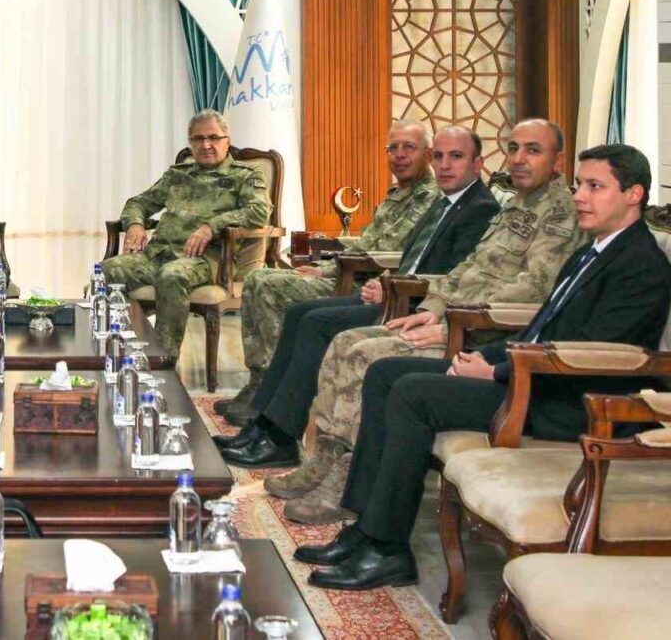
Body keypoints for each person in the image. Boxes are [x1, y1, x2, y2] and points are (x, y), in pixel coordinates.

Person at [299, 144, 671, 591]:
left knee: (414, 393)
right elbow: (539, 329)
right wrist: (485, 358)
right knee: (385, 373)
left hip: (572, 401)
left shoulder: (641, 265)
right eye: (579, 185)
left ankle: (387, 549)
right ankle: (364, 528)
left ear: (633, 194)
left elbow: (594, 352)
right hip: (533, 376)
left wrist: (495, 373)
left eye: (595, 186)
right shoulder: (590, 251)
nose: (579, 197)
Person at [273, 119, 586, 524]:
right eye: (513, 149)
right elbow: (468, 269)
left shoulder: (562, 213)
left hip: (482, 335)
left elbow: (533, 290)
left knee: (367, 356)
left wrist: (453, 322)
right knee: (344, 343)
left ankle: (346, 482)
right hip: (453, 317)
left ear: (558, 159)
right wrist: (431, 309)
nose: (520, 159)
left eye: (533, 150)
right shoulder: (515, 205)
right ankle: (325, 462)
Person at [216, 126, 498, 472]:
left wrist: (392, 284)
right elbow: (413, 258)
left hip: (410, 307)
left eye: (455, 157)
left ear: (477, 163)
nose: (444, 165)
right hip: (395, 294)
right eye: (439, 156)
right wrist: (386, 280)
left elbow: (457, 277)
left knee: (316, 323)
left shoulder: (480, 208)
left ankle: (280, 438)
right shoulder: (445, 202)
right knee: (301, 314)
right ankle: (262, 426)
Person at [216, 120, 440, 425]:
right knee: (258, 277)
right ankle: (259, 383)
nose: (399, 155)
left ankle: (269, 391)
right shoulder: (397, 194)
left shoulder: (430, 198)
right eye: (393, 148)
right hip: (350, 274)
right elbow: (367, 242)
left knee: (269, 286)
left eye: (409, 147)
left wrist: (327, 272)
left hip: (366, 285)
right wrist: (324, 267)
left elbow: (388, 252)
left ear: (428, 153)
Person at [102, 109, 272, 360]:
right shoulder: (177, 175)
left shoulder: (245, 176)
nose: (206, 144)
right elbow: (138, 202)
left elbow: (259, 211)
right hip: (157, 254)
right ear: (191, 142)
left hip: (206, 259)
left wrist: (212, 226)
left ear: (227, 140)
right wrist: (135, 225)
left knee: (171, 276)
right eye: (198, 138)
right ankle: (114, 352)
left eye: (213, 137)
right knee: (106, 271)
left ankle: (163, 360)